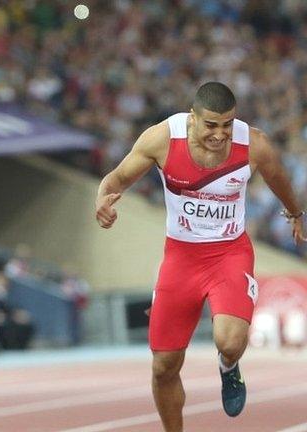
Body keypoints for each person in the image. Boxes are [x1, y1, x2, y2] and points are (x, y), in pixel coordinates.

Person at [95, 81, 305, 431]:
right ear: (192, 118)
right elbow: (115, 180)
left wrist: (295, 214)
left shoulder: (253, 143)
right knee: (164, 366)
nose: (220, 134)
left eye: (227, 124)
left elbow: (278, 177)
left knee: (231, 342)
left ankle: (228, 366)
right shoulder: (162, 139)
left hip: (230, 253)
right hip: (180, 258)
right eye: (211, 125)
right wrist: (102, 199)